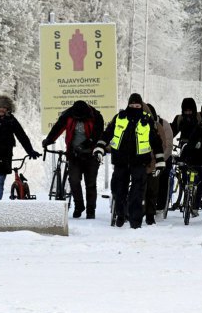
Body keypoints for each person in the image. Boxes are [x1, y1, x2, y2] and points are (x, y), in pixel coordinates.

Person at [93, 93, 165, 229]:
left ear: (141, 106)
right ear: (128, 105)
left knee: (137, 194)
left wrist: (160, 160)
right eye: (132, 105)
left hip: (139, 162)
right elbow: (107, 133)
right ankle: (120, 214)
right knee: (118, 190)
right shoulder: (120, 118)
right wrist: (99, 147)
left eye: (137, 105)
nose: (134, 107)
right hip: (121, 161)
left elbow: (156, 141)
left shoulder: (146, 120)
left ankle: (135, 222)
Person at [41, 100, 104, 219]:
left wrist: (85, 146)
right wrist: (48, 140)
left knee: (90, 184)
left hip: (91, 154)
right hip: (74, 154)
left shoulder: (96, 116)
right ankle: (79, 205)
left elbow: (97, 135)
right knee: (74, 180)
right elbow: (58, 128)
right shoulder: (68, 115)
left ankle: (91, 210)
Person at [0, 95, 41, 200]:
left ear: (8, 109)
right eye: (0, 107)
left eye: (5, 107)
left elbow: (22, 136)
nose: (2, 109)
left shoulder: (11, 121)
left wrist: (30, 150)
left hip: (4, 157)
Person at [144, 103, 173, 224]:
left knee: (161, 178)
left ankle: (159, 207)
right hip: (145, 158)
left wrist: (160, 160)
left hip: (160, 158)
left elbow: (167, 145)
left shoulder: (163, 125)